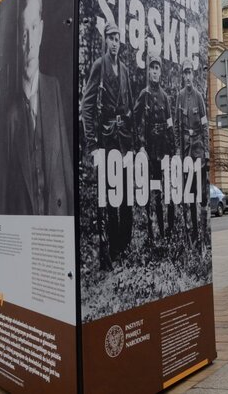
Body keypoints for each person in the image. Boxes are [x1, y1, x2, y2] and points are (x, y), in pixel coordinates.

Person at [2, 0, 73, 216]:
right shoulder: (10, 112)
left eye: (33, 28)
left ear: (41, 30)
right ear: (18, 39)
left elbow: (65, 164)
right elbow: (7, 189)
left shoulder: (54, 89)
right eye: (24, 32)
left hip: (57, 222)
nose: (30, 42)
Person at [81, 20, 135, 269]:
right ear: (105, 40)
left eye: (117, 39)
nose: (114, 43)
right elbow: (87, 105)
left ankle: (124, 245)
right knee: (111, 195)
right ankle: (112, 250)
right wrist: (92, 144)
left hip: (124, 139)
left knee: (126, 194)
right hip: (106, 140)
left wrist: (134, 141)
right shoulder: (99, 66)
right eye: (111, 38)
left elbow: (130, 105)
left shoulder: (124, 69)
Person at [134, 52, 175, 247]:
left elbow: (169, 124)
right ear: (148, 71)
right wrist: (140, 145)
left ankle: (165, 233)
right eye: (152, 68)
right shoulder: (145, 94)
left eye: (157, 68)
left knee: (163, 191)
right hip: (149, 149)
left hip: (163, 148)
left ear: (160, 72)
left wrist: (173, 150)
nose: (155, 72)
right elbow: (135, 121)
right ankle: (151, 232)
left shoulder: (165, 97)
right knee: (150, 191)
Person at [176, 58, 209, 246]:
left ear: (193, 75)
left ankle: (203, 235)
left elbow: (204, 126)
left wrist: (207, 153)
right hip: (186, 152)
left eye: (190, 72)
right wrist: (177, 151)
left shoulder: (199, 97)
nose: (188, 76)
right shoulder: (179, 97)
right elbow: (176, 127)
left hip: (198, 150)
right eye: (185, 73)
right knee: (189, 193)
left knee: (201, 194)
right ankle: (194, 234)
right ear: (182, 76)